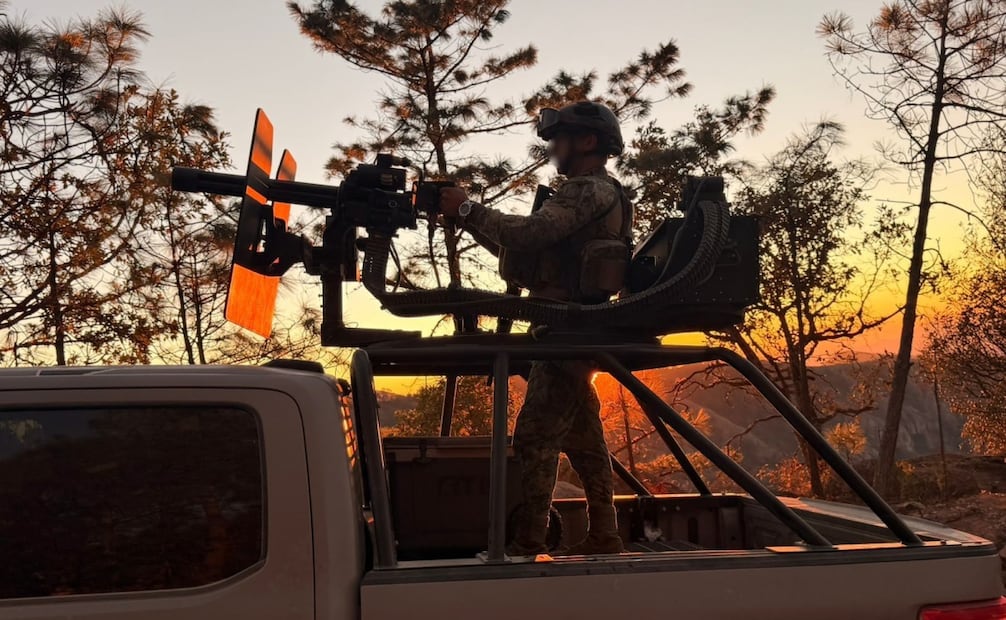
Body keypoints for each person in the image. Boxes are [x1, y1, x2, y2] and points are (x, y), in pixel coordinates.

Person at [438, 101, 634, 556]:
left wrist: (467, 207)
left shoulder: (588, 190)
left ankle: (529, 543)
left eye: (560, 139)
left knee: (534, 438)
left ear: (587, 142)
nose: (552, 148)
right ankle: (605, 535)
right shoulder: (598, 192)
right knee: (584, 440)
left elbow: (528, 234)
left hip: (567, 331)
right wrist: (466, 218)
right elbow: (525, 253)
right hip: (568, 332)